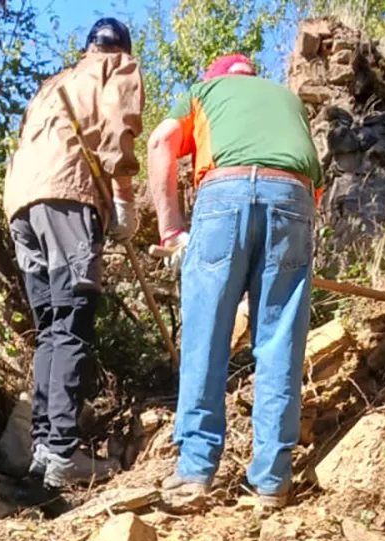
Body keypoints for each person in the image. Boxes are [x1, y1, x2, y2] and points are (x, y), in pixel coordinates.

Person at [146, 53, 323, 510]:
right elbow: (314, 190)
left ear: (216, 78)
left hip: (224, 194)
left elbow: (160, 141)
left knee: (206, 334)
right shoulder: (288, 100)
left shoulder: (204, 92)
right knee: (279, 339)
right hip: (294, 197)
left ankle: (194, 472)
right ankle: (272, 482)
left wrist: (172, 231)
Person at [2, 18, 144, 494]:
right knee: (72, 317)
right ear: (120, 48)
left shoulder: (52, 84)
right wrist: (123, 200)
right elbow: (118, 130)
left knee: (50, 326)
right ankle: (63, 452)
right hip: (67, 195)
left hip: (21, 203)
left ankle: (44, 450)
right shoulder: (116, 68)